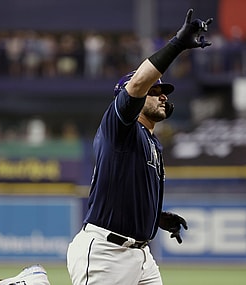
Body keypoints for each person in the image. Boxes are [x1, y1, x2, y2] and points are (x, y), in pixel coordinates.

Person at [66, 9, 212, 285]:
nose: (162, 95)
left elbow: (125, 188)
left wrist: (153, 217)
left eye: (163, 91)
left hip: (141, 255)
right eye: (153, 91)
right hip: (105, 253)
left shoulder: (151, 139)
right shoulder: (120, 125)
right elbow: (136, 85)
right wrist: (177, 44)